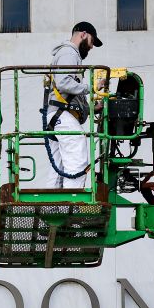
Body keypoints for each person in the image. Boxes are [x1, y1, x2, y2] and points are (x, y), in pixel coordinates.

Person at [45, 22, 103, 189]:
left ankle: (52, 205)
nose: (91, 47)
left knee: (58, 165)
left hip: (57, 115)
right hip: (62, 116)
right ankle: (72, 202)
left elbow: (69, 93)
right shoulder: (69, 53)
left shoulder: (68, 54)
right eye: (92, 41)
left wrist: (91, 109)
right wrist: (91, 87)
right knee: (77, 158)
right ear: (83, 34)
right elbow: (64, 83)